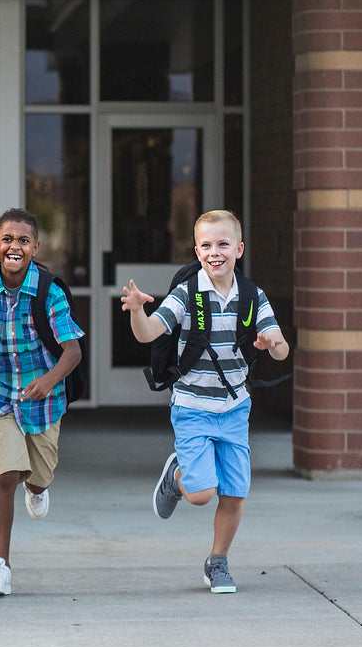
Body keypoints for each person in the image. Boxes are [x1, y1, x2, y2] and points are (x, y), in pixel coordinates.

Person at [121, 209, 289, 594]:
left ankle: (218, 562)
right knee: (201, 495)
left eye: (223, 244)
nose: (216, 252)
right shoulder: (187, 293)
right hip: (193, 406)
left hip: (234, 409)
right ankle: (177, 477)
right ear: (197, 252)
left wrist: (273, 344)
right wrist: (137, 311)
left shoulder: (252, 296)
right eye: (207, 245)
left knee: (234, 491)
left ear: (239, 249)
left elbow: (280, 347)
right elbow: (148, 333)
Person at [0, 208, 84, 597]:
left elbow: (72, 352)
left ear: (35, 247)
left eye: (23, 241)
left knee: (38, 476)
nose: (15, 246)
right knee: (5, 475)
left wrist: (48, 380)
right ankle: (0, 566)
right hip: (2, 395)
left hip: (45, 399)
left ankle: (38, 489)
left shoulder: (49, 291)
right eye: (8, 239)